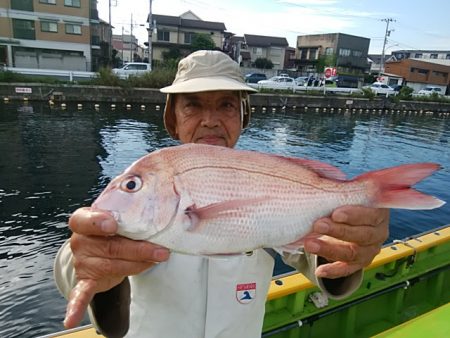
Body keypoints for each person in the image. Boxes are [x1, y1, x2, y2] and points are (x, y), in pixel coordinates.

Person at [54, 50, 389, 338]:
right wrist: (86, 262)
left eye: (226, 105)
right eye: (193, 106)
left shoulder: (266, 177)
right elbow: (85, 248)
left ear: (243, 117)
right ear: (173, 118)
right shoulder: (140, 186)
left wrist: (350, 245)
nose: (210, 121)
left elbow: (321, 263)